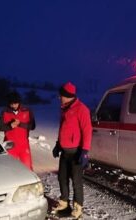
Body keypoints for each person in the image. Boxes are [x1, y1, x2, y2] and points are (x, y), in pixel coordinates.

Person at [52, 82, 92, 219]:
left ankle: (78, 208)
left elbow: (87, 131)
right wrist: (58, 144)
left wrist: (85, 151)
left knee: (76, 181)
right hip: (65, 152)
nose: (59, 98)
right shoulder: (64, 109)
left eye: (61, 95)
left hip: (76, 153)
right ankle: (64, 204)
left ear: (67, 96)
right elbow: (62, 129)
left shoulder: (82, 109)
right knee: (62, 178)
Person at [0, 91, 36, 170]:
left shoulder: (27, 111)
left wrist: (20, 124)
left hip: (23, 145)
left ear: (19, 102)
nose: (14, 106)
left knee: (28, 169)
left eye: (16, 103)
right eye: (11, 104)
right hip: (10, 146)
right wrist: (10, 126)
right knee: (10, 170)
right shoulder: (4, 112)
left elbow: (32, 126)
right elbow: (1, 127)